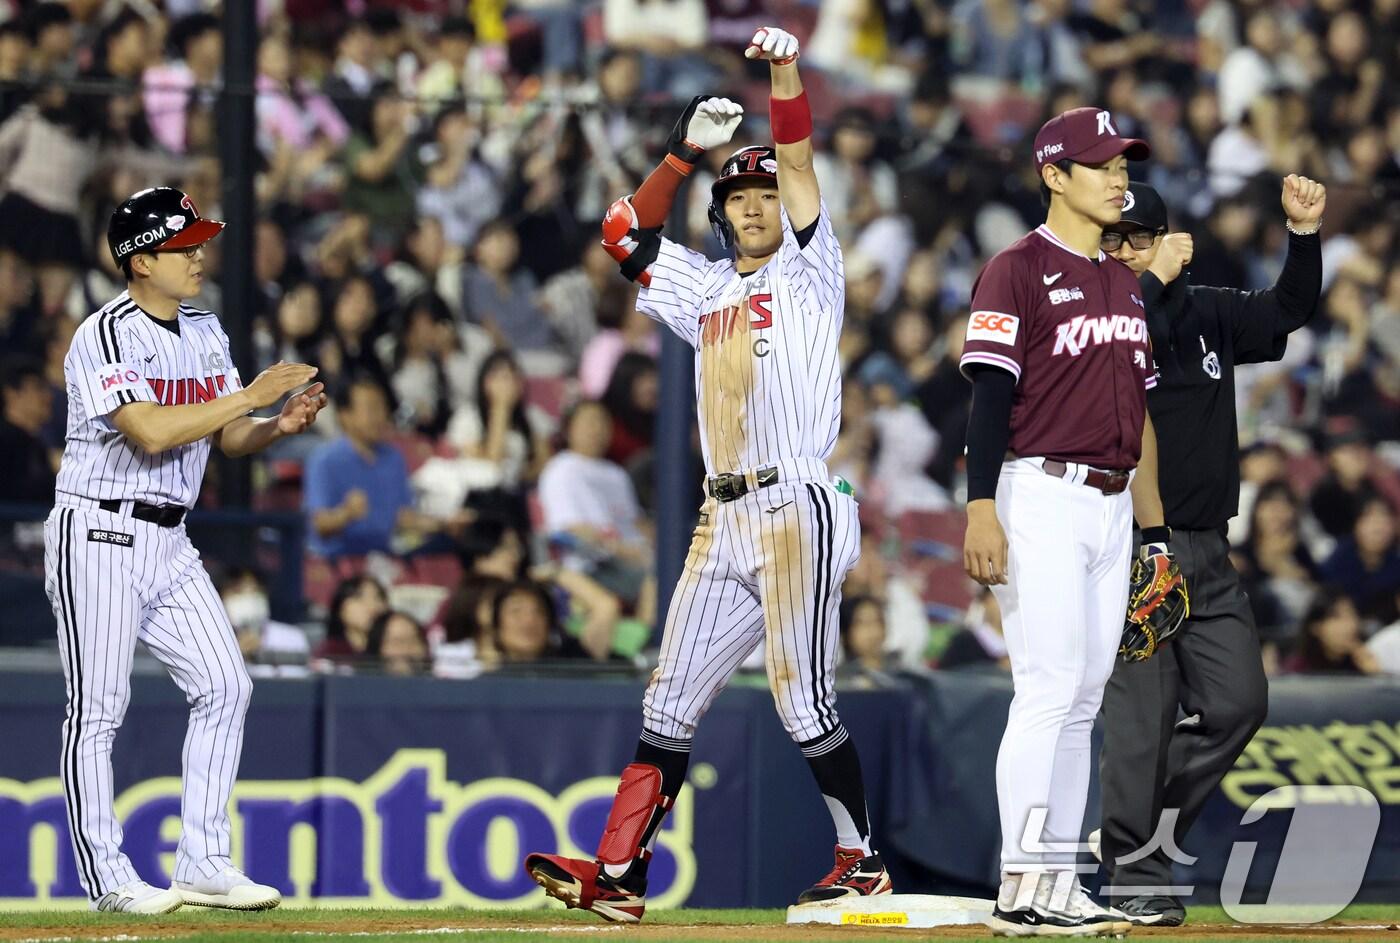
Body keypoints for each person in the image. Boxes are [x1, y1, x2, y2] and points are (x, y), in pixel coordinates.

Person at [523, 27, 893, 922]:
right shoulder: (706, 285)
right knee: (671, 694)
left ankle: (861, 858)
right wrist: (686, 152)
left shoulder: (811, 272)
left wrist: (784, 72)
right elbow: (623, 232)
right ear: (722, 214)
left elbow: (801, 160)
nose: (757, 202)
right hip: (719, 515)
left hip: (795, 497)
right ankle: (618, 876)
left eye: (764, 192)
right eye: (742, 194)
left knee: (802, 697)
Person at [45, 187, 329, 914]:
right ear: (140, 262)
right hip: (99, 530)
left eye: (200, 241)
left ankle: (203, 860)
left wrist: (275, 425)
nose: (199, 254)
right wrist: (250, 396)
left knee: (226, 684)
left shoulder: (204, 328)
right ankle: (108, 880)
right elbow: (150, 431)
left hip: (170, 537)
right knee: (99, 708)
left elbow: (226, 437)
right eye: (183, 245)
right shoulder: (102, 334)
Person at [1093, 177, 1324, 927]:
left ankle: (1137, 834)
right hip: (1133, 545)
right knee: (1143, 717)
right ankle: (1134, 868)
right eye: (1113, 238)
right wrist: (1152, 277)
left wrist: (1303, 236)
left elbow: (1290, 308)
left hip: (1210, 547)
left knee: (1238, 704)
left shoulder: (1210, 312)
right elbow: (1133, 330)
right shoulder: (1101, 316)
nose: (1122, 251)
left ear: (1166, 238)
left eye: (1137, 237)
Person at [958, 107, 1161, 936]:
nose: (1120, 176)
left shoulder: (1121, 278)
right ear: (1054, 175)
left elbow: (1139, 415)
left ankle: (1058, 879)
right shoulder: (1015, 268)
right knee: (1046, 687)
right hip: (1036, 491)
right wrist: (979, 506)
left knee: (1082, 698)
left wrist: (1150, 535)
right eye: (1103, 163)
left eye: (1122, 162)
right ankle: (1020, 884)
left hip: (1111, 503)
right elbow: (990, 397)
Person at [303, 376, 471, 558]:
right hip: (338, 561)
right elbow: (317, 525)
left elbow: (404, 517)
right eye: (370, 409)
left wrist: (445, 524)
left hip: (384, 557)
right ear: (345, 415)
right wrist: (346, 514)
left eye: (382, 407)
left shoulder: (393, 457)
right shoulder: (324, 460)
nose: (380, 416)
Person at [0, 355, 56, 503]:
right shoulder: (5, 442)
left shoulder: (36, 446)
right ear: (11, 394)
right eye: (38, 388)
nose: (48, 397)